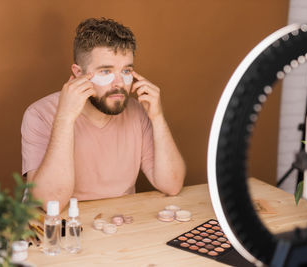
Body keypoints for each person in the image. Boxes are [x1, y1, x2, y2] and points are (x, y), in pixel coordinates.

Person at [21, 17, 186, 211]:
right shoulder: (39, 114)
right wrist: (65, 119)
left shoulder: (138, 111)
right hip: (63, 228)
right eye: (106, 71)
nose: (119, 83)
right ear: (78, 73)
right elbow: (51, 203)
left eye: (126, 71)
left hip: (119, 225)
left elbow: (172, 185)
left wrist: (157, 118)